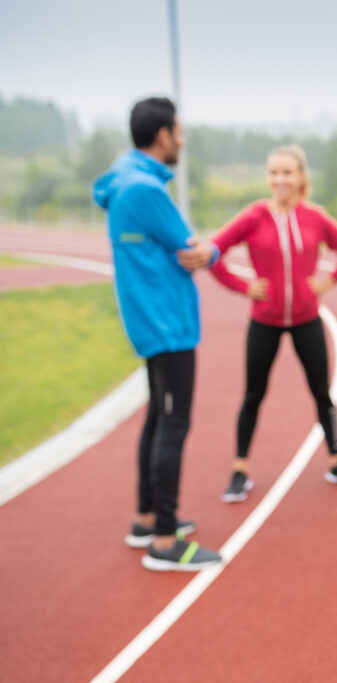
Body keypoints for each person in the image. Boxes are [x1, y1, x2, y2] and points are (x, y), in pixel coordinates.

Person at [92, 96, 222, 572]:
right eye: (180, 132)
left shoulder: (123, 179)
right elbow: (192, 248)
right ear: (164, 135)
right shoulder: (145, 190)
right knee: (172, 424)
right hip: (168, 325)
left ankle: (147, 517)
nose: (182, 140)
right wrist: (211, 253)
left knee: (156, 420)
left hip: (153, 321)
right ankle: (165, 542)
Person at [208, 144, 337, 502]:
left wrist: (327, 281)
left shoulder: (316, 218)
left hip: (307, 319)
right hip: (264, 321)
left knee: (322, 393)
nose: (279, 179)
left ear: (301, 178)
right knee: (253, 394)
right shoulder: (253, 217)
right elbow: (214, 253)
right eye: (274, 172)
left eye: (287, 172)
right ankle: (240, 469)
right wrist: (243, 286)